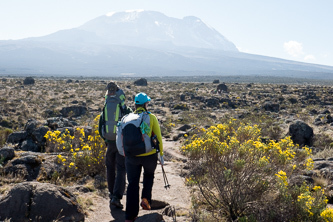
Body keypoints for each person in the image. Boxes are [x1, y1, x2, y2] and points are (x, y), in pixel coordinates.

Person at [124, 92, 164, 222]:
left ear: (135, 104)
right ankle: (145, 199)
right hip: (149, 155)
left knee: (132, 184)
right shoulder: (151, 117)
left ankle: (130, 216)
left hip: (131, 156)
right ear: (146, 104)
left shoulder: (127, 118)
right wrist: (161, 155)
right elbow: (158, 138)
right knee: (148, 176)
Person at [98, 81, 131, 210]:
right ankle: (116, 197)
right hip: (121, 144)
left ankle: (111, 193)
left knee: (110, 169)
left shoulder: (106, 107)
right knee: (121, 169)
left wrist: (106, 140)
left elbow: (100, 126)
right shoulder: (125, 109)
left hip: (110, 144)